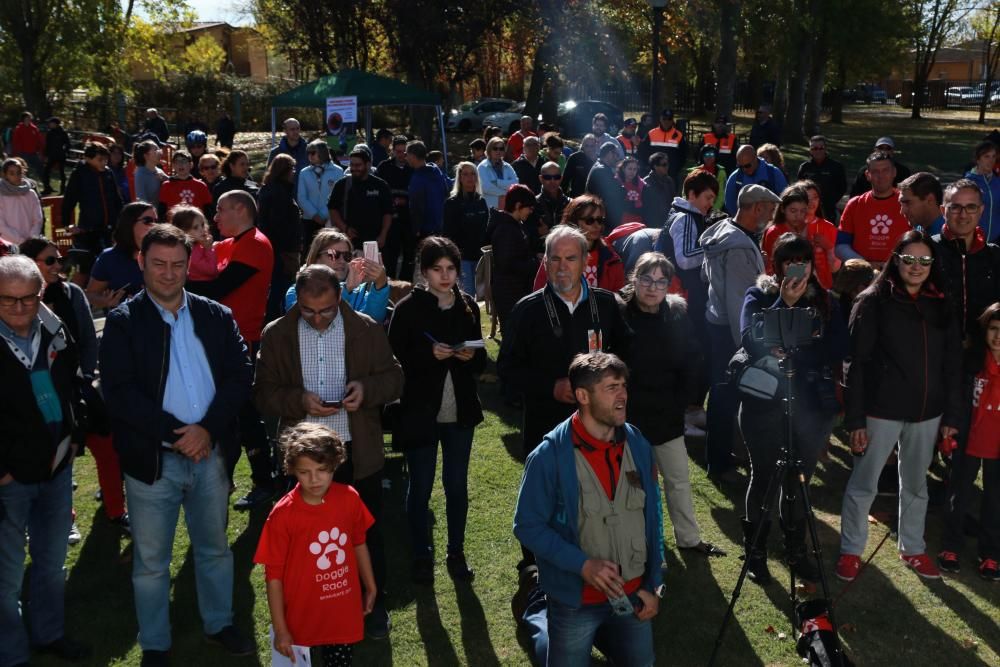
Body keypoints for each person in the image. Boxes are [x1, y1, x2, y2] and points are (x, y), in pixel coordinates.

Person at [99, 225, 254, 664]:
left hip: (211, 456)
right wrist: (178, 435)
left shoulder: (215, 315)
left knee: (215, 549)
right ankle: (155, 644)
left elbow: (240, 375)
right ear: (141, 263)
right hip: (154, 462)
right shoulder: (123, 323)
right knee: (151, 563)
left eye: (177, 265)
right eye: (158, 264)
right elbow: (121, 394)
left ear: (190, 266)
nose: (168, 274)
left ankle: (219, 623)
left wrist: (206, 429)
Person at [253, 263, 403, 640]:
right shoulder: (277, 334)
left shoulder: (366, 328)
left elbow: (395, 377)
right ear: (296, 301)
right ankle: (311, 606)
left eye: (326, 311)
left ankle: (373, 603)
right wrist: (297, 400)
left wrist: (365, 391)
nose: (317, 319)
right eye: (308, 311)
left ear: (340, 297)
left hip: (357, 449)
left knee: (365, 531)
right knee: (304, 537)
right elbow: (263, 393)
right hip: (305, 459)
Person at [512, 351, 663, 667]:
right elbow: (527, 525)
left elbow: (653, 517)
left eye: (623, 386)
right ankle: (537, 609)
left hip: (633, 593)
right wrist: (582, 565)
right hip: (575, 603)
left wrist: (652, 583)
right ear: (582, 395)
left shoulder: (638, 444)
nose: (622, 395)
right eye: (610, 387)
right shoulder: (548, 457)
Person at [837, 230, 962, 583]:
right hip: (880, 410)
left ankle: (913, 547)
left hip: (928, 412)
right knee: (864, 484)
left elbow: (952, 363)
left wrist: (951, 415)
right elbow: (855, 362)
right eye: (909, 259)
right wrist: (856, 418)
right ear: (896, 259)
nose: (917, 267)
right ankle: (850, 551)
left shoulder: (941, 302)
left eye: (925, 260)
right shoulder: (872, 301)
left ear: (933, 264)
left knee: (916, 485)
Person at [738, 233, 848, 585]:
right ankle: (755, 551)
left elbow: (838, 346)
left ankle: (795, 550)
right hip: (765, 401)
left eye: (803, 260)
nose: (796, 268)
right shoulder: (759, 295)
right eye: (788, 261)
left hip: (811, 405)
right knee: (764, 475)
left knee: (798, 482)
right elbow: (749, 339)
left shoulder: (827, 301)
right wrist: (783, 304)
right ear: (776, 264)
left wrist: (796, 354)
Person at [0, 255, 92, 667]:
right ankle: (12, 652)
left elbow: (73, 384)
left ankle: (49, 633)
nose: (19, 309)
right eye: (7, 301)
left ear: (41, 296)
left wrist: (75, 436)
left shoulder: (55, 330)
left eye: (28, 299)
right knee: (4, 577)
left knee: (52, 564)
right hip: (9, 479)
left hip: (56, 467)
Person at [388, 237, 485, 583]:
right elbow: (394, 361)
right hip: (420, 411)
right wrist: (428, 356)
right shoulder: (408, 309)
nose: (445, 276)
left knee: (456, 485)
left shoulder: (468, 305)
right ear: (424, 271)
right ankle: (420, 554)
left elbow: (482, 360)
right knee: (421, 486)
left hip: (460, 413)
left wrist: (471, 356)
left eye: (451, 269)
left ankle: (455, 551)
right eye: (437, 269)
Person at [619, 252, 724, 558]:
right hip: (629, 417)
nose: (652, 287)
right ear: (634, 280)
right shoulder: (619, 315)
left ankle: (689, 539)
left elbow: (692, 363)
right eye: (646, 279)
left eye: (660, 281)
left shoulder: (677, 316)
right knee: (634, 484)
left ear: (668, 285)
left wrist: (681, 402)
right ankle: (640, 539)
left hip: (666, 414)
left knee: (678, 480)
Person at [498, 224, 628, 458]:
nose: (562, 267)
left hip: (600, 431)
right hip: (545, 432)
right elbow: (507, 371)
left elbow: (629, 356)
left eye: (570, 258)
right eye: (555, 259)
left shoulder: (608, 305)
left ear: (585, 260)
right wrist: (550, 387)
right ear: (545, 262)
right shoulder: (527, 311)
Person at [253, 423, 376, 666]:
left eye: (322, 469)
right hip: (301, 616)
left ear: (335, 465)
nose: (314, 479)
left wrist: (370, 586)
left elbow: (359, 542)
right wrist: (281, 629)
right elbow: (273, 576)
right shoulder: (282, 515)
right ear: (291, 469)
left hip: (340, 611)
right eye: (304, 472)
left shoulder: (349, 498)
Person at [701, 184, 780, 481]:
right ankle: (719, 464)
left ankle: (721, 455)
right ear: (756, 208)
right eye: (770, 210)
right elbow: (738, 301)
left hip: (716, 322)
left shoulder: (724, 231)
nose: (772, 216)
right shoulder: (737, 246)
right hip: (730, 333)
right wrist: (746, 347)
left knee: (722, 395)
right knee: (725, 397)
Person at [937, 302, 1000, 582]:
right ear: (985, 330)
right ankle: (950, 546)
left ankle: (990, 553)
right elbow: (957, 398)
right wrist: (950, 429)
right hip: (969, 440)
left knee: (995, 500)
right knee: (958, 495)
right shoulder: (972, 362)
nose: (998, 337)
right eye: (994, 329)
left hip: (997, 445)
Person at [933, 178, 1000, 345]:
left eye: (971, 207)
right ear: (943, 210)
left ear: (981, 210)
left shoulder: (995, 255)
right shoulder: (927, 250)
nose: (963, 215)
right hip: (935, 352)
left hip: (983, 355)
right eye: (955, 207)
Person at [285, 230, 390, 322]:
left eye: (347, 256)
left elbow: (373, 322)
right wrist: (346, 290)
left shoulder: (360, 291)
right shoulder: (296, 291)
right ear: (316, 258)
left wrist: (380, 284)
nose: (342, 261)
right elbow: (312, 322)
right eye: (334, 254)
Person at [533, 194, 625, 293]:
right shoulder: (556, 252)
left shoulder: (611, 257)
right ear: (574, 221)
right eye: (589, 220)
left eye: (599, 220)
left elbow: (618, 299)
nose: (596, 225)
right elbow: (540, 291)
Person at [835, 151, 910, 269]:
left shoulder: (908, 203)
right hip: (861, 273)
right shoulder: (855, 204)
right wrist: (864, 264)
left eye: (886, 170)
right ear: (867, 175)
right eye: (875, 171)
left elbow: (920, 239)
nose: (881, 176)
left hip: (898, 270)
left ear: (894, 172)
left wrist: (896, 264)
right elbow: (841, 245)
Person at [487, 184, 539, 333]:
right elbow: (506, 264)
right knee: (513, 334)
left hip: (515, 289)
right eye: (529, 207)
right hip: (509, 292)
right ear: (518, 205)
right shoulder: (506, 229)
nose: (530, 211)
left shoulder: (515, 226)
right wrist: (534, 264)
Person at [86, 200, 155, 310]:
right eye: (148, 221)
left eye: (156, 221)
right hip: (123, 323)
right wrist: (106, 301)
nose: (154, 225)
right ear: (130, 223)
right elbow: (90, 295)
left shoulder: (161, 253)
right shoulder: (109, 258)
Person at [62, 142, 124, 260]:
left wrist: (121, 220)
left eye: (106, 160)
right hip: (88, 229)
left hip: (109, 228)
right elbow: (69, 200)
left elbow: (117, 199)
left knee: (109, 261)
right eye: (100, 160)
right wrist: (66, 224)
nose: (104, 163)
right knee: (86, 264)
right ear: (88, 158)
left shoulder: (108, 173)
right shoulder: (79, 174)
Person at [258, 154, 302, 322]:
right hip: (282, 252)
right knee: (280, 289)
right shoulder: (279, 193)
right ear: (284, 170)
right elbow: (278, 226)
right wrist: (287, 252)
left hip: (276, 250)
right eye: (291, 168)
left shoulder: (271, 189)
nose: (294, 172)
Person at [328, 146, 393, 251]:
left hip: (374, 242)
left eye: (358, 165)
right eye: (352, 165)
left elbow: (388, 212)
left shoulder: (381, 185)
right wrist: (345, 228)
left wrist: (383, 234)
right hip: (347, 242)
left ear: (368, 165)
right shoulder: (342, 184)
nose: (354, 168)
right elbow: (332, 209)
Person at [443, 161, 489, 295]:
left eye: (473, 174)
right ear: (460, 178)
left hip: (481, 257)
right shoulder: (451, 203)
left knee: (482, 298)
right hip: (463, 258)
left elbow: (486, 230)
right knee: (467, 295)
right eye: (465, 174)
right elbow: (448, 235)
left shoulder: (481, 201)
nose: (470, 177)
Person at [375, 135, 414, 279]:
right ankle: (389, 287)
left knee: (409, 257)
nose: (402, 155)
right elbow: (378, 191)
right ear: (392, 150)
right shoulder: (384, 167)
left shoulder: (413, 168)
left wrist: (406, 201)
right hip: (390, 220)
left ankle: (407, 287)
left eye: (405, 152)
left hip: (409, 220)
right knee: (389, 257)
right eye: (398, 151)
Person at [297, 139, 344, 254]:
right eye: (308, 153)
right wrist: (314, 214)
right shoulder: (304, 172)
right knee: (310, 253)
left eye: (313, 153)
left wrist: (323, 214)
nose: (310, 156)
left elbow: (337, 196)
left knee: (330, 252)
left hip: (330, 219)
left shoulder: (337, 171)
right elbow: (301, 197)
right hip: (310, 219)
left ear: (322, 153)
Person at [723, 144, 788, 215]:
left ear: (755, 158)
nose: (744, 169)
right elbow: (730, 204)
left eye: (747, 166)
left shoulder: (773, 173)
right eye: (740, 166)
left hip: (770, 221)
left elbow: (784, 200)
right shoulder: (735, 177)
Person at [796, 135, 847, 222]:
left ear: (825, 149)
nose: (818, 151)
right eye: (814, 148)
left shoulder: (836, 167)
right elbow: (799, 189)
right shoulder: (804, 167)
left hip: (829, 210)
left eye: (821, 148)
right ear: (810, 150)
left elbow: (842, 187)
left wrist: (831, 201)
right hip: (808, 210)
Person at [406, 140, 450, 242]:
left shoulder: (418, 178)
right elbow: (446, 192)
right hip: (440, 225)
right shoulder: (436, 171)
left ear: (413, 156)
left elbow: (416, 206)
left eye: (407, 155)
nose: (406, 158)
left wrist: (416, 228)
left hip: (425, 229)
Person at [528, 161, 570, 254]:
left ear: (561, 178)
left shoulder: (571, 204)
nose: (552, 181)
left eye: (556, 177)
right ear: (541, 178)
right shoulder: (532, 205)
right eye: (547, 177)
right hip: (542, 257)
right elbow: (523, 237)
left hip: (566, 256)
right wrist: (537, 232)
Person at [157, 150, 212, 220]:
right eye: (177, 162)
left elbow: (208, 211)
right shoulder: (166, 185)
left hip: (195, 227)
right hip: (174, 227)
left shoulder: (201, 186)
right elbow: (162, 211)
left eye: (184, 161)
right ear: (173, 165)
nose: (180, 164)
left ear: (191, 165)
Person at [0, 157, 43, 244]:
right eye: (12, 173)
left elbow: (38, 219)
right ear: (5, 175)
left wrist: (31, 238)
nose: (16, 176)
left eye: (19, 173)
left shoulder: (30, 193)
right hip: (8, 243)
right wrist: (20, 240)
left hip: (30, 242)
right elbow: (1, 225)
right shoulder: (1, 195)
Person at [169, 204, 218, 281]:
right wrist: (209, 249)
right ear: (183, 231)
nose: (202, 230)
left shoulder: (198, 245)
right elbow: (211, 270)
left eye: (202, 225)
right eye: (195, 227)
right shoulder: (191, 252)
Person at [965, 140, 1000, 242]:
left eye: (994, 156)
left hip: (996, 241)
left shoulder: (997, 181)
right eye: (987, 156)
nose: (991, 160)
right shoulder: (968, 182)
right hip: (974, 240)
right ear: (978, 159)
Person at [585, 143, 625, 232]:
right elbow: (614, 194)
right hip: (602, 217)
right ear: (610, 153)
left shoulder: (600, 167)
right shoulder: (602, 170)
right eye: (617, 154)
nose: (618, 158)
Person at [638, 109, 685, 185]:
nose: (666, 121)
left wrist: (675, 169)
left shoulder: (679, 135)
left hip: (671, 174)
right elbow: (642, 151)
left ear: (672, 120)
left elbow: (683, 155)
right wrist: (649, 166)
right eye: (664, 119)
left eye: (669, 119)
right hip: (654, 173)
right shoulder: (652, 133)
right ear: (660, 119)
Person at [478, 137, 519, 211]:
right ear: (489, 149)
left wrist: (497, 182)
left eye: (501, 149)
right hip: (489, 209)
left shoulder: (508, 166)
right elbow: (486, 187)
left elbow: (516, 184)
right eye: (495, 148)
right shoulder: (482, 167)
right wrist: (506, 193)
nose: (498, 151)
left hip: (507, 208)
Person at [688, 146, 727, 211]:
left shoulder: (721, 172)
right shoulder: (694, 172)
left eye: (711, 154)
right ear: (702, 156)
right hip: (695, 208)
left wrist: (713, 210)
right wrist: (692, 207)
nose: (709, 157)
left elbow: (721, 195)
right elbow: (687, 192)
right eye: (706, 154)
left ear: (716, 156)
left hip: (713, 209)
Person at [133, 140, 168, 209]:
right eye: (155, 150)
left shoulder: (159, 170)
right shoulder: (140, 174)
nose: (160, 153)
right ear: (146, 156)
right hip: (150, 215)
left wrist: (166, 178)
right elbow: (141, 200)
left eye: (158, 149)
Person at [41, 117, 70, 195]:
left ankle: (63, 190)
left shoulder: (63, 133)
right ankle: (47, 188)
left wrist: (64, 151)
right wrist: (46, 155)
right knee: (46, 171)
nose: (49, 124)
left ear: (55, 124)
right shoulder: (50, 133)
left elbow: (68, 144)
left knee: (62, 173)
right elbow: (47, 145)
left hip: (61, 155)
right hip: (52, 155)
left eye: (51, 123)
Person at [616, 156, 645, 226]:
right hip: (622, 222)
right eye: (630, 169)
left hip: (638, 221)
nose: (632, 172)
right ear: (623, 169)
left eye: (635, 169)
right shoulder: (616, 183)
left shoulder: (641, 184)